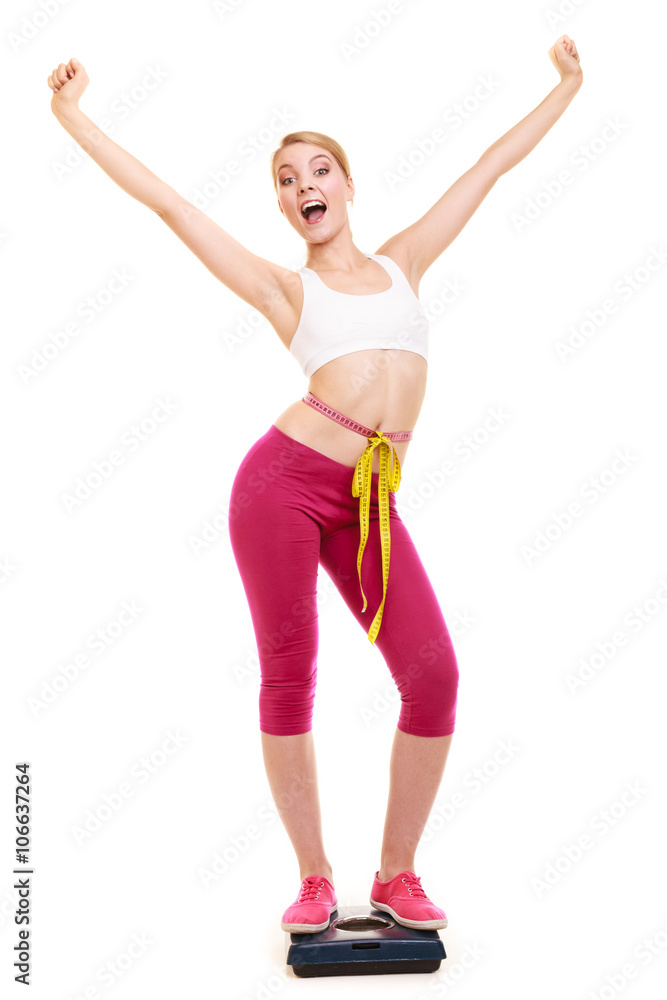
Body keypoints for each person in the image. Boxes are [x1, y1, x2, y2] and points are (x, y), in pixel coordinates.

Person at [47, 34, 583, 935]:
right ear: (288, 207)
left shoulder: (405, 261)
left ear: (345, 184)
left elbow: (489, 165)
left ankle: (397, 875)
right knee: (291, 679)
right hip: (283, 488)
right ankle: (312, 878)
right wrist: (71, 116)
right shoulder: (284, 292)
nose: (305, 185)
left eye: (320, 168)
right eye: (288, 178)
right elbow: (173, 209)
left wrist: (566, 86)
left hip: (370, 507)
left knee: (433, 676)